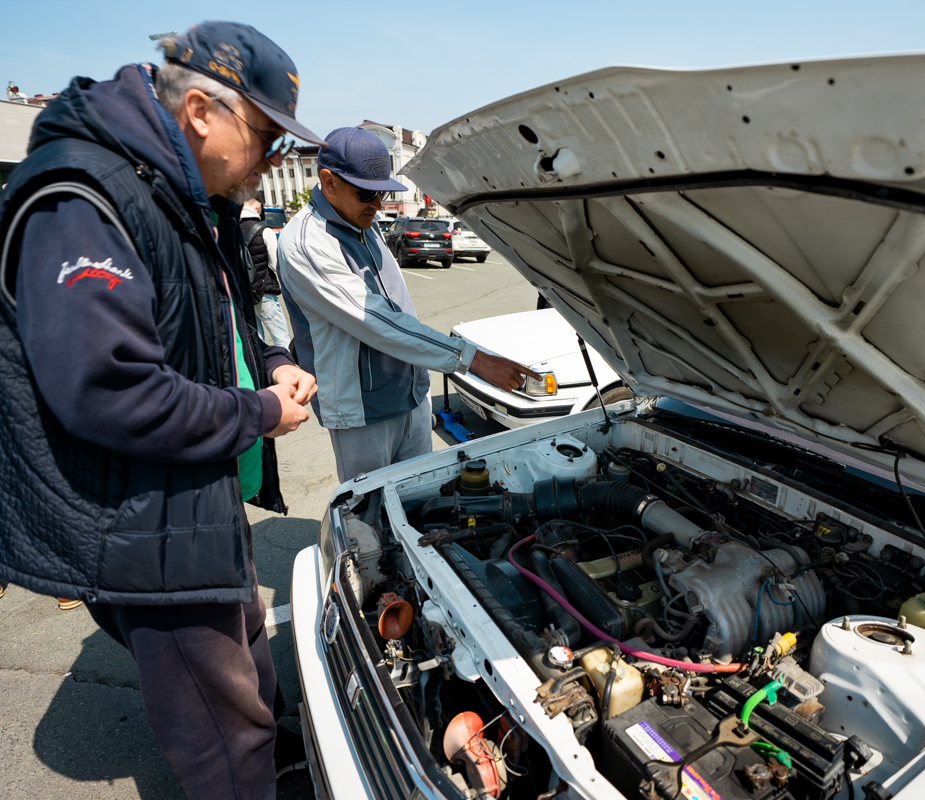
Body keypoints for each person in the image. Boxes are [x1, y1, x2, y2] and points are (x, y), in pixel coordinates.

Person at [0, 22, 322, 800]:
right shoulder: (87, 196)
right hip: (142, 528)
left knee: (247, 653)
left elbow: (212, 314)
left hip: (192, 500)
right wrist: (259, 414)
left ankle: (278, 756)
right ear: (204, 110)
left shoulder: (174, 190)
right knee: (220, 732)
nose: (274, 162)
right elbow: (110, 390)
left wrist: (271, 361)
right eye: (268, 139)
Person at [277, 127, 532, 482]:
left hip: (409, 396)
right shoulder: (308, 242)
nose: (378, 205)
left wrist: (421, 387)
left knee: (419, 502)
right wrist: (470, 359)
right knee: (372, 519)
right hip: (363, 412)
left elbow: (400, 308)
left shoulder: (365, 223)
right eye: (367, 193)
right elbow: (378, 323)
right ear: (328, 181)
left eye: (381, 192)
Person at [241, 190, 291, 345]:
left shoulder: (232, 231)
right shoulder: (264, 230)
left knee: (258, 345)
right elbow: (276, 265)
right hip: (265, 294)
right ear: (258, 206)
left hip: (244, 296)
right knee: (282, 342)